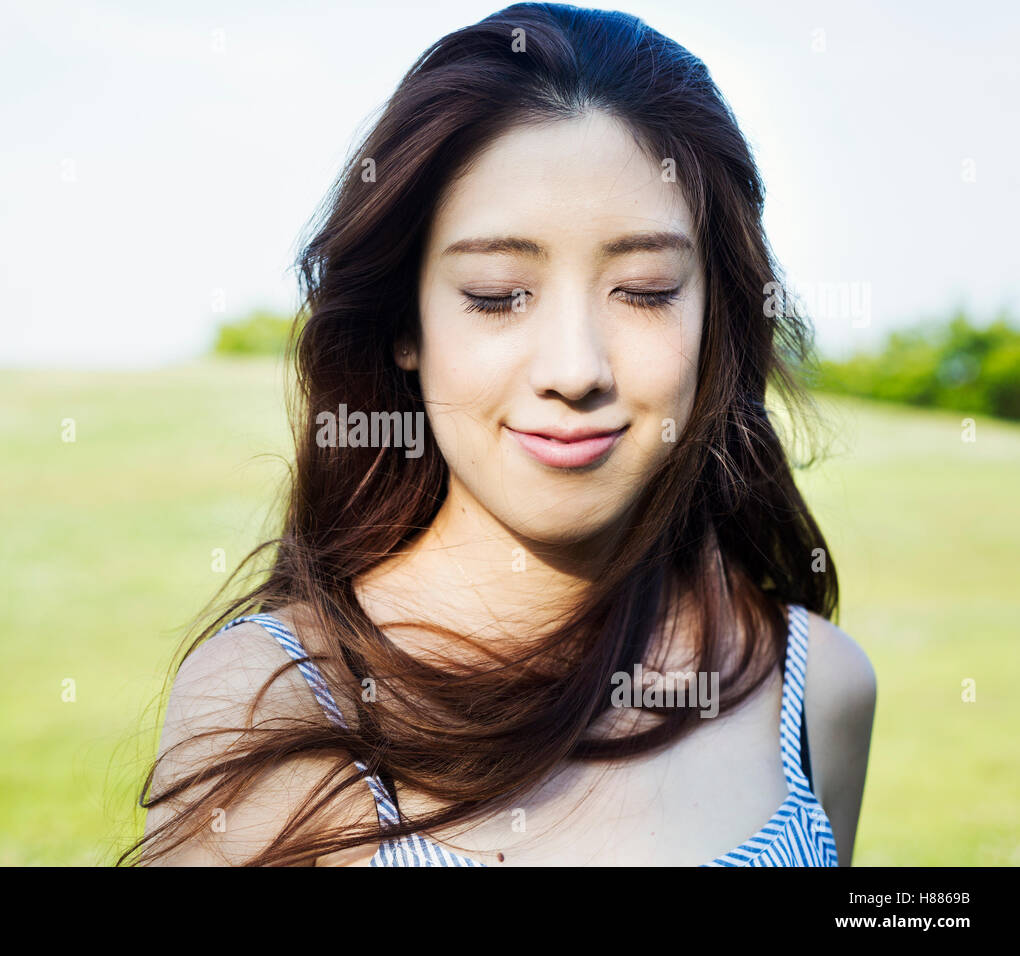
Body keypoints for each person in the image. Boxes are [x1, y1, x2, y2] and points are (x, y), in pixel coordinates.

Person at [124, 2, 876, 867]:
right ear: (404, 325)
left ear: (719, 320)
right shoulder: (272, 704)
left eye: (644, 290)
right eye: (494, 295)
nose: (574, 367)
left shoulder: (817, 688)